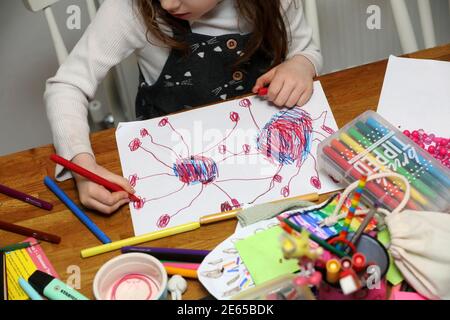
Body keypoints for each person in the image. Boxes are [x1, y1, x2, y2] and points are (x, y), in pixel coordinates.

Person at [44, 0, 323, 214]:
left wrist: (301, 64)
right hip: (175, 169)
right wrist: (81, 165)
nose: (166, 4)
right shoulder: (131, 8)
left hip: (267, 160)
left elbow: (306, 50)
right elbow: (66, 85)